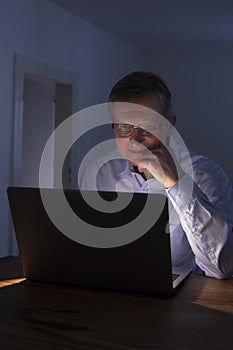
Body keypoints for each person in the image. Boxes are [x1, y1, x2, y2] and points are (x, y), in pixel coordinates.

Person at [79, 71, 233, 279]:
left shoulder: (208, 176)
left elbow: (224, 268)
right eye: (124, 127)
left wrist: (177, 183)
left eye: (146, 127)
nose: (134, 140)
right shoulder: (100, 172)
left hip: (181, 302)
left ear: (169, 127)